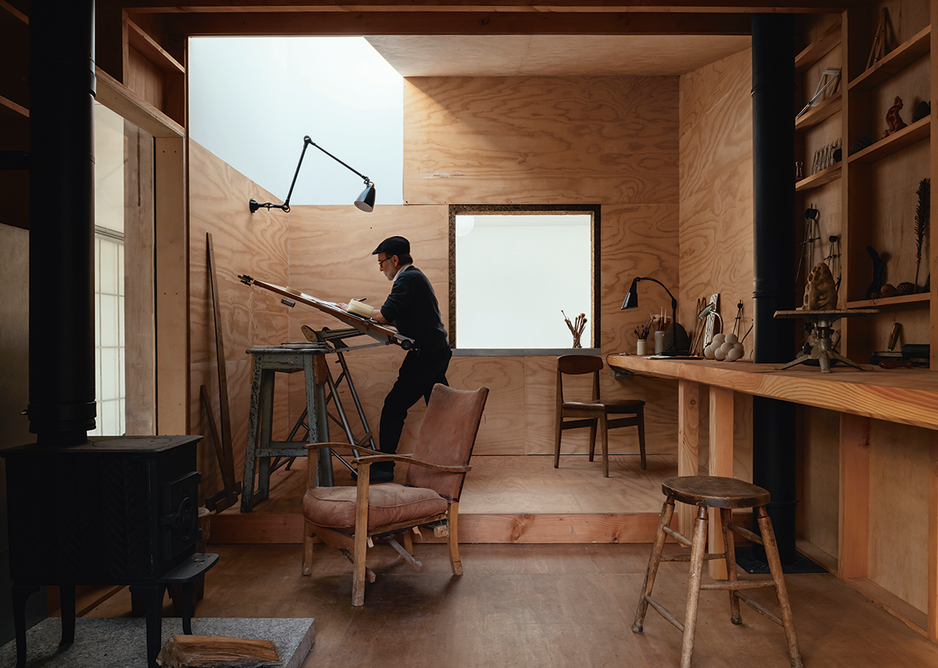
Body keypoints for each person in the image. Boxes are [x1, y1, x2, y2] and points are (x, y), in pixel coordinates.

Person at [354, 236, 451, 483]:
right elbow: (402, 316)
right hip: (434, 352)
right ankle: (449, 462)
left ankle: (384, 467)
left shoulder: (406, 279)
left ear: (394, 259)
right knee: (441, 410)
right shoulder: (415, 277)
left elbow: (386, 316)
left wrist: (351, 309)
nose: (380, 268)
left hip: (426, 355)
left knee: (393, 407)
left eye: (382, 262)